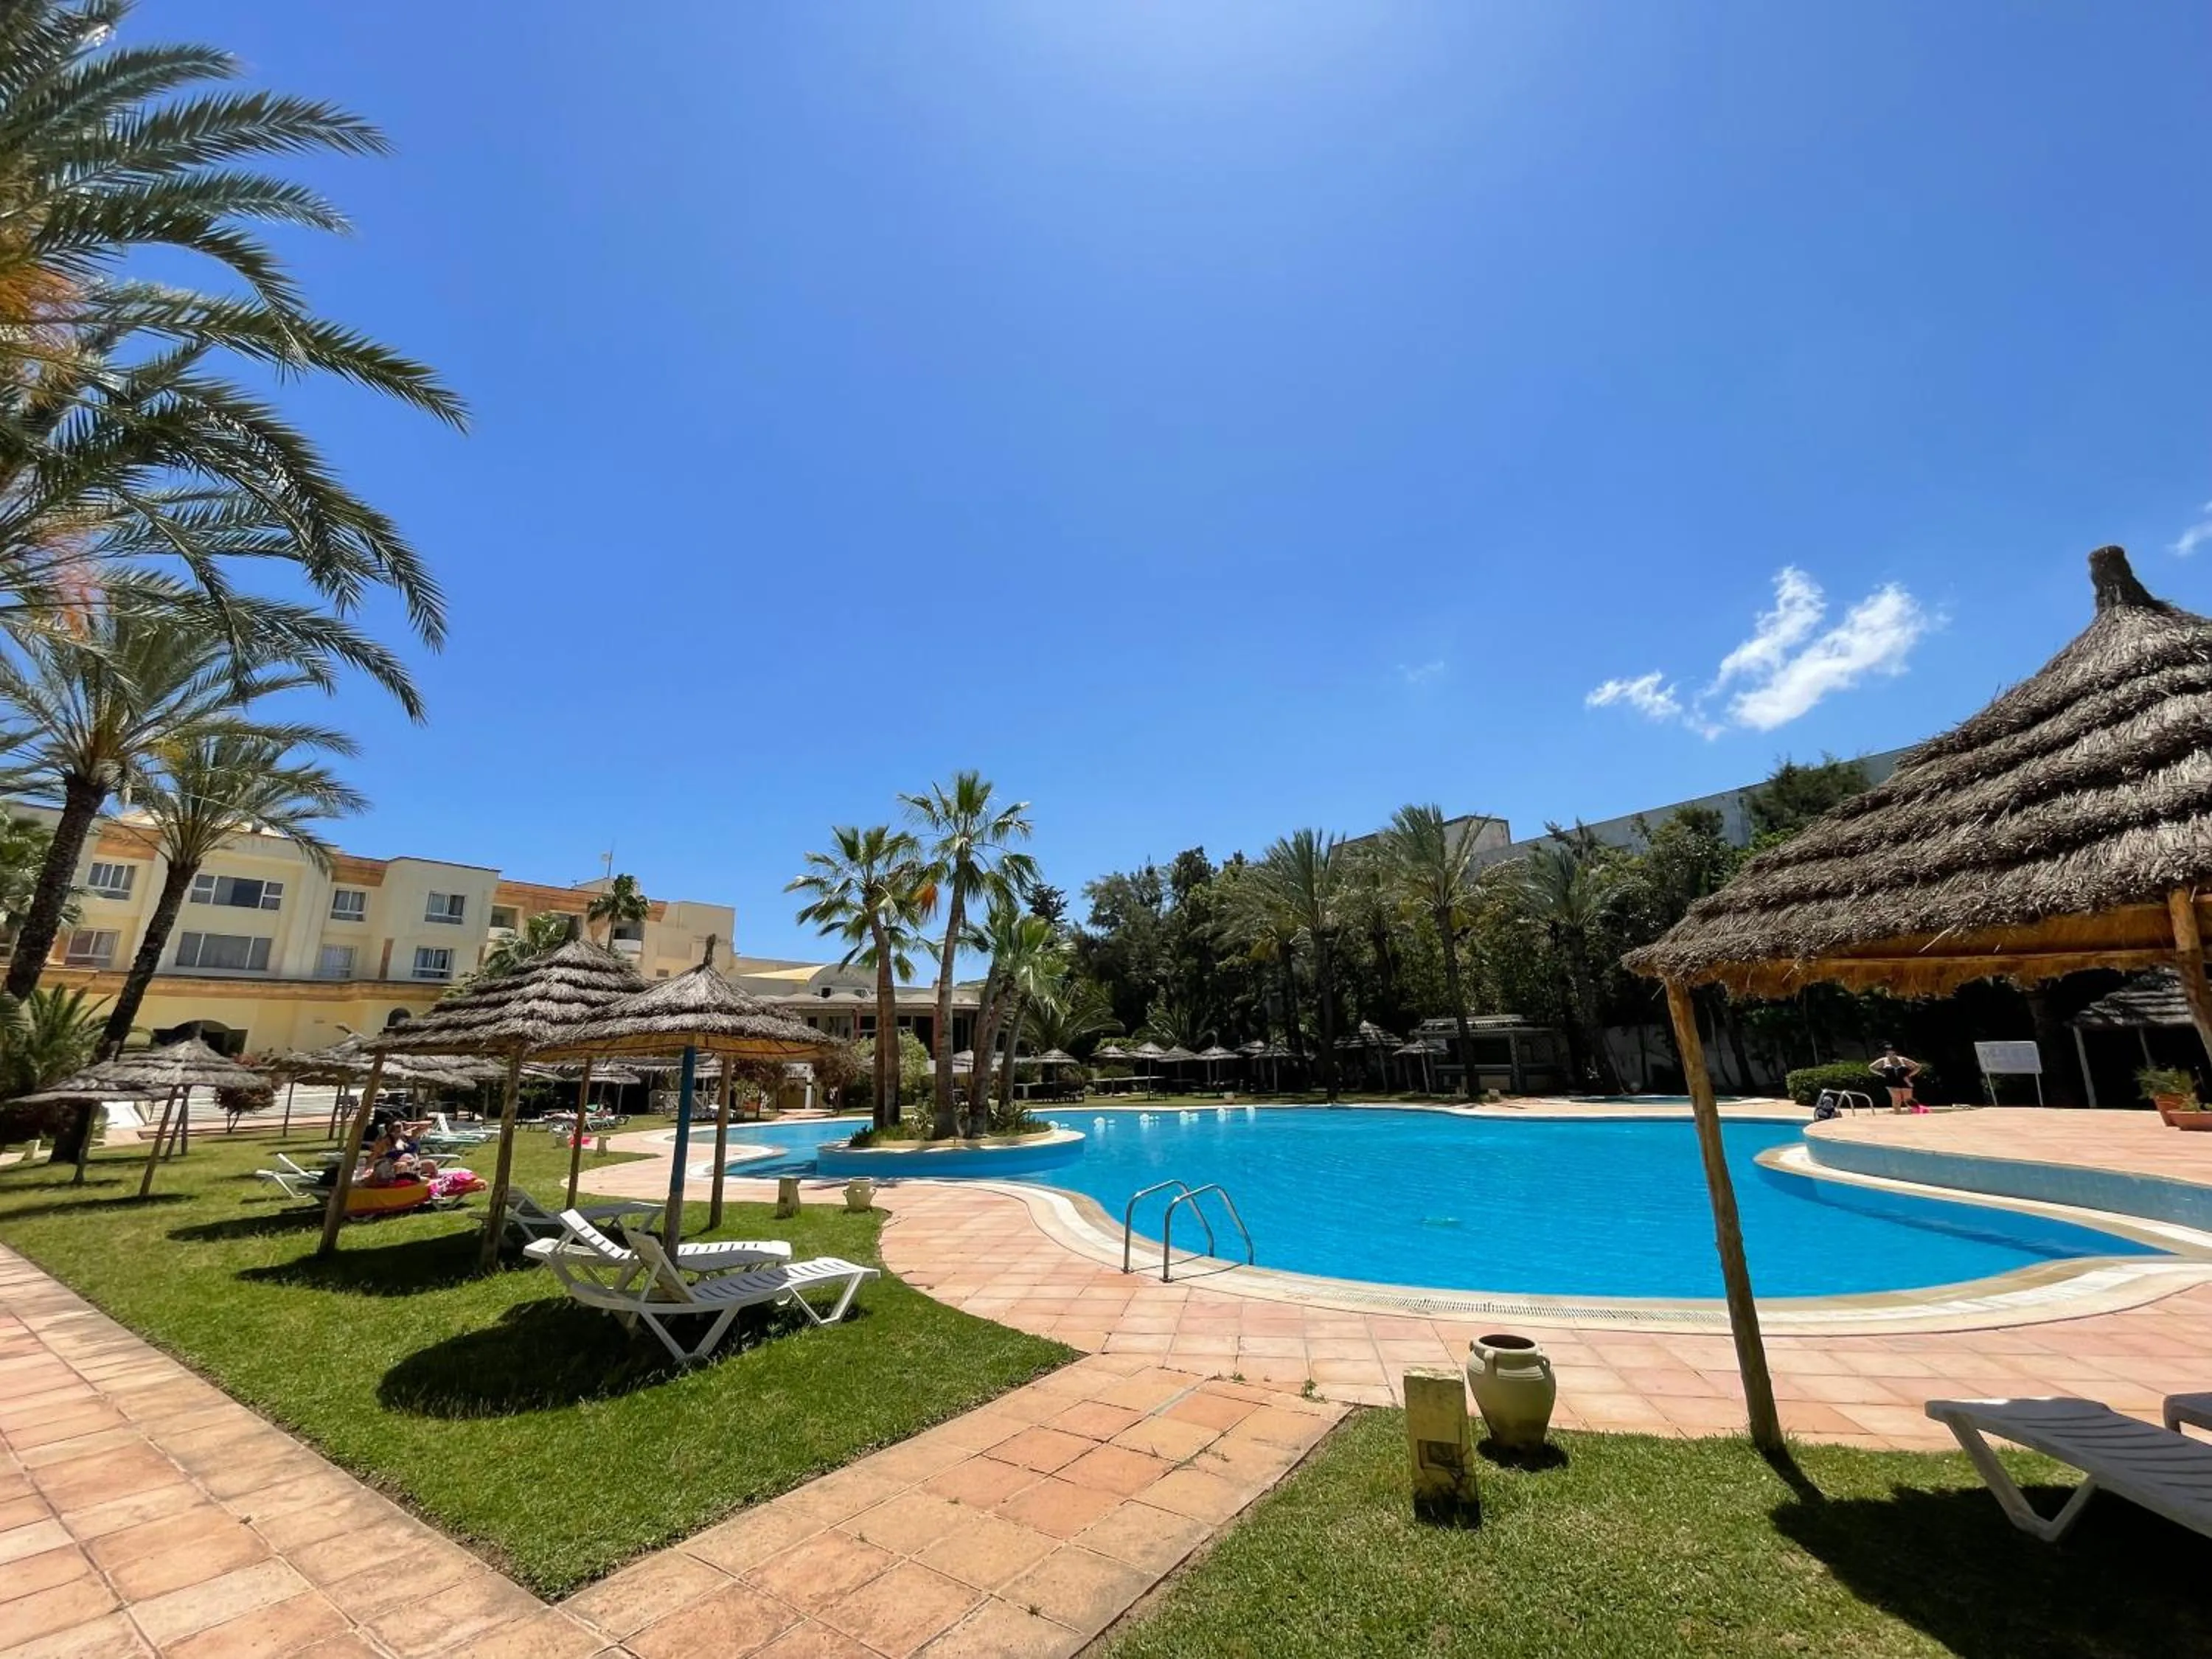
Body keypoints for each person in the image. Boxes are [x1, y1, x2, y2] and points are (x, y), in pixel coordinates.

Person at [1871, 1043, 1924, 1113]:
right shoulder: (1883, 1060)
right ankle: (1897, 1114)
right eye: (1888, 1053)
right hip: (1891, 1082)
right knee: (1896, 1099)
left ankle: (1913, 1113)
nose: (1890, 1055)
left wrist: (1910, 1075)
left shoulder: (1903, 1060)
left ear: (1895, 1053)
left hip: (1905, 1081)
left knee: (1908, 1099)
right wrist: (1882, 1074)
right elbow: (1871, 1067)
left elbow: (1917, 1067)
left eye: (1892, 1053)